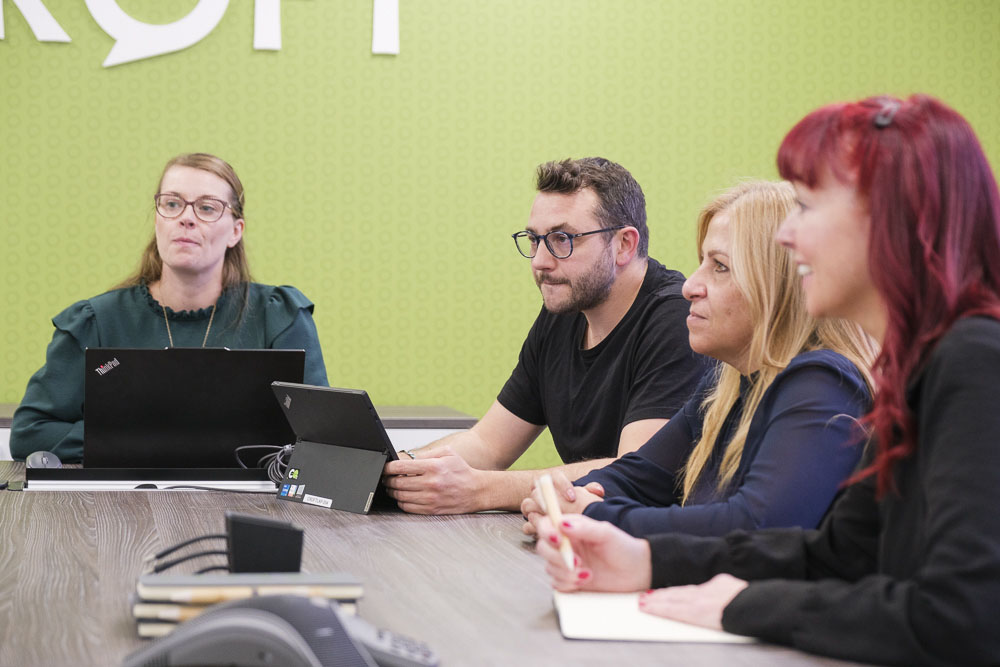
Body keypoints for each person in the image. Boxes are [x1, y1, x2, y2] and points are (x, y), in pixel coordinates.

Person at [535, 95, 1000, 666]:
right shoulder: (919, 369)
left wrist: (747, 605)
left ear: (895, 220)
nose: (786, 237)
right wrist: (646, 562)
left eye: (809, 206)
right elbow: (837, 555)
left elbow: (962, 620)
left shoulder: (975, 359)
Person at [522, 181, 876, 538]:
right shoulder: (725, 384)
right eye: (702, 263)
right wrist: (565, 497)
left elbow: (752, 528)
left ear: (777, 283)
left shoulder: (824, 386)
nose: (690, 285)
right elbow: (637, 477)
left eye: (719, 267)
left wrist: (593, 513)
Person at [382, 157, 709, 514]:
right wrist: (398, 468)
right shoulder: (565, 311)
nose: (539, 260)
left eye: (562, 239)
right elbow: (487, 444)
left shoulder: (676, 317)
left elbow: (632, 471)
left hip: (652, 549)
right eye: (535, 240)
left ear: (624, 245)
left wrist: (482, 491)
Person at [10, 153, 328, 462]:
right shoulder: (96, 321)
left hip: (254, 508)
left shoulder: (280, 317)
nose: (185, 218)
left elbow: (322, 438)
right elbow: (30, 433)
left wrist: (161, 435)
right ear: (158, 219)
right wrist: (139, 436)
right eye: (172, 204)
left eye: (207, 207)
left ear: (235, 231)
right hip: (118, 511)